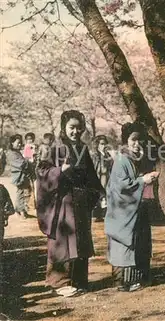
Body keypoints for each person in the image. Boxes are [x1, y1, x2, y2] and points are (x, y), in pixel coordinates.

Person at [36, 110, 103, 297]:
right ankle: (60, 282)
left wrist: (97, 191)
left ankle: (79, 279)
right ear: (64, 128)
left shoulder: (82, 147)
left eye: (78, 127)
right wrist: (59, 170)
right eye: (71, 127)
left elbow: (90, 173)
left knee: (80, 239)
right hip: (62, 200)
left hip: (80, 200)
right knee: (63, 239)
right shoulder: (56, 147)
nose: (75, 131)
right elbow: (42, 171)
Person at [105, 122, 158, 292]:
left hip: (134, 209)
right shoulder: (122, 160)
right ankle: (123, 282)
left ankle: (136, 278)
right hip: (124, 211)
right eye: (133, 139)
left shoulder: (135, 159)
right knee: (124, 243)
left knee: (138, 241)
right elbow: (121, 186)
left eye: (140, 140)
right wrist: (143, 180)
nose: (137, 143)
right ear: (126, 141)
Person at [6, 134, 32, 219]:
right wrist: (29, 162)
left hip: (23, 175)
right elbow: (21, 164)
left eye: (21, 143)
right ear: (12, 143)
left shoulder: (16, 152)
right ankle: (20, 211)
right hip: (18, 176)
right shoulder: (11, 153)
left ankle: (22, 210)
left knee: (24, 193)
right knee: (20, 193)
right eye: (18, 143)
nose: (20, 144)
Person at [92, 135, 113, 222]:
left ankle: (105, 214)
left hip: (106, 177)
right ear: (97, 145)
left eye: (105, 144)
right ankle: (98, 214)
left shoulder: (107, 155)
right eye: (102, 144)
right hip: (98, 177)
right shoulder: (95, 155)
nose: (104, 146)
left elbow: (111, 167)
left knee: (106, 195)